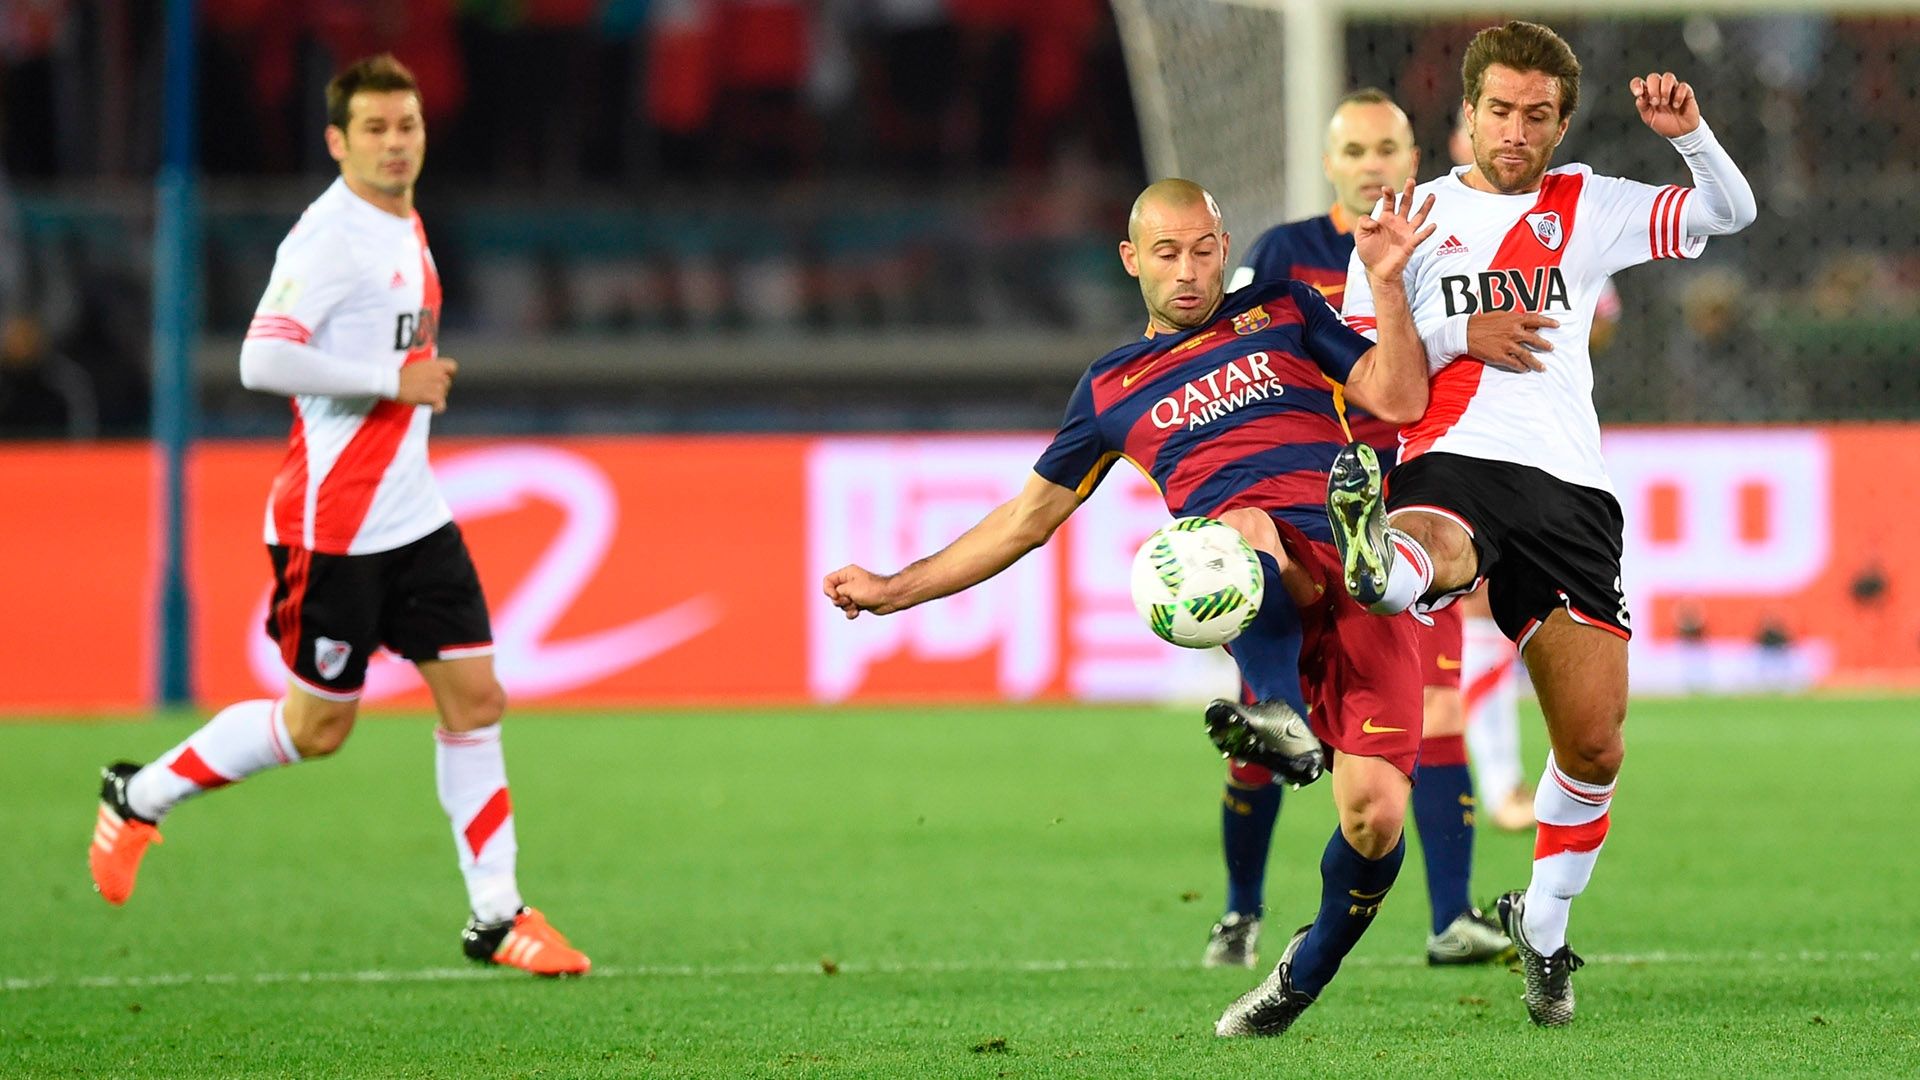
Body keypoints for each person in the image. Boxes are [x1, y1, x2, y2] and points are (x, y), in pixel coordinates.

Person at [825, 175, 1518, 1039]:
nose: (1188, 271)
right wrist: (897, 589)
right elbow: (1024, 520)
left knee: (1374, 820)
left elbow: (1400, 400)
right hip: (1242, 572)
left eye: (1201, 250)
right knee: (1233, 529)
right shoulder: (1112, 388)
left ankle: (1297, 976)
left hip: (1359, 576)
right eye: (1166, 253)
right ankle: (1278, 714)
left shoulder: (1286, 309)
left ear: (1224, 250)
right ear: (1130, 261)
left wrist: (1383, 281)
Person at [86, 54, 590, 977]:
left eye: (407, 128)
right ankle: (138, 794)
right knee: (318, 729)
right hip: (334, 527)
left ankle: (497, 915)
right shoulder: (328, 239)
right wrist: (386, 381)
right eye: (375, 130)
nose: (396, 145)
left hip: (415, 516)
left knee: (477, 699)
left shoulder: (403, 222)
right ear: (337, 141)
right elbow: (258, 360)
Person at [1331, 21, 1756, 1026]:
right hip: (1450, 460)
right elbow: (1375, 385)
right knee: (1430, 547)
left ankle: (1548, 928)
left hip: (1569, 487)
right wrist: (1434, 317)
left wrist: (1691, 134)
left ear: (1561, 123)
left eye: (1536, 115)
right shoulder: (1408, 219)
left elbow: (1731, 213)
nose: (1515, 132)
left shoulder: (1590, 203)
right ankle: (1376, 561)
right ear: (1466, 113)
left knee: (1596, 747)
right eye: (1498, 111)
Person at [1208, 88, 1509, 972]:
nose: (1374, 163)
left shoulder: (1445, 242)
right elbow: (1237, 362)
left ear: (1413, 158)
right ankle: (1239, 909)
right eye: (1357, 150)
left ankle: (1450, 919)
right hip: (1303, 513)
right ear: (1331, 163)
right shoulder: (1281, 258)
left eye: (1389, 147)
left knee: (1441, 707)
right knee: (1270, 716)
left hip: (1414, 504)